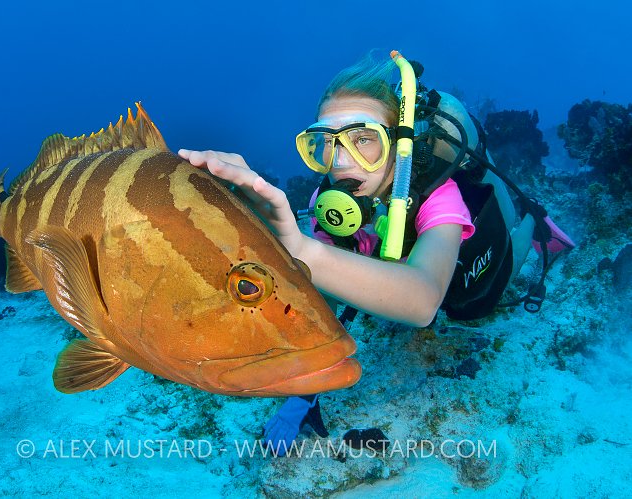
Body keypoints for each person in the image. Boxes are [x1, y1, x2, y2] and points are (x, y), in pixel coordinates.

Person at [178, 50, 574, 455]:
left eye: (364, 139)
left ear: (399, 146)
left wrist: (302, 249)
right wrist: (303, 394)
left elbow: (422, 304)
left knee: (479, 299)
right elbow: (321, 300)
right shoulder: (327, 204)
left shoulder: (437, 195)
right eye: (324, 145)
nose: (342, 161)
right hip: (391, 275)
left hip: (464, 269)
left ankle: (535, 225)